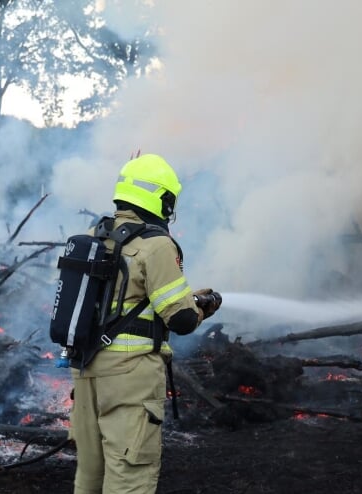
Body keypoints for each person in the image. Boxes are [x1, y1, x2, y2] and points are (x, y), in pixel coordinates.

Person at [69, 153, 221, 494]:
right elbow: (180, 318)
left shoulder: (96, 236)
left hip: (85, 372)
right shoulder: (155, 245)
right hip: (129, 379)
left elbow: (124, 301)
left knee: (90, 478)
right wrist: (202, 307)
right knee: (128, 477)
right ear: (161, 198)